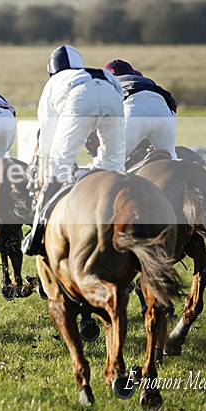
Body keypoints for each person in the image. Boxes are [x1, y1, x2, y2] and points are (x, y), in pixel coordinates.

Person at [22, 44, 125, 255]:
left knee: (57, 166)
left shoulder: (54, 82)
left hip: (80, 99)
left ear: (52, 70)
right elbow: (116, 101)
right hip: (112, 94)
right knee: (114, 165)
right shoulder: (98, 73)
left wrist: (55, 163)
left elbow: (48, 133)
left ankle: (36, 232)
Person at [105, 59, 177, 159]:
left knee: (113, 158)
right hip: (163, 110)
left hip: (134, 109)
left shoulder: (110, 83)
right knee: (171, 159)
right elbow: (172, 106)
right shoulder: (148, 81)